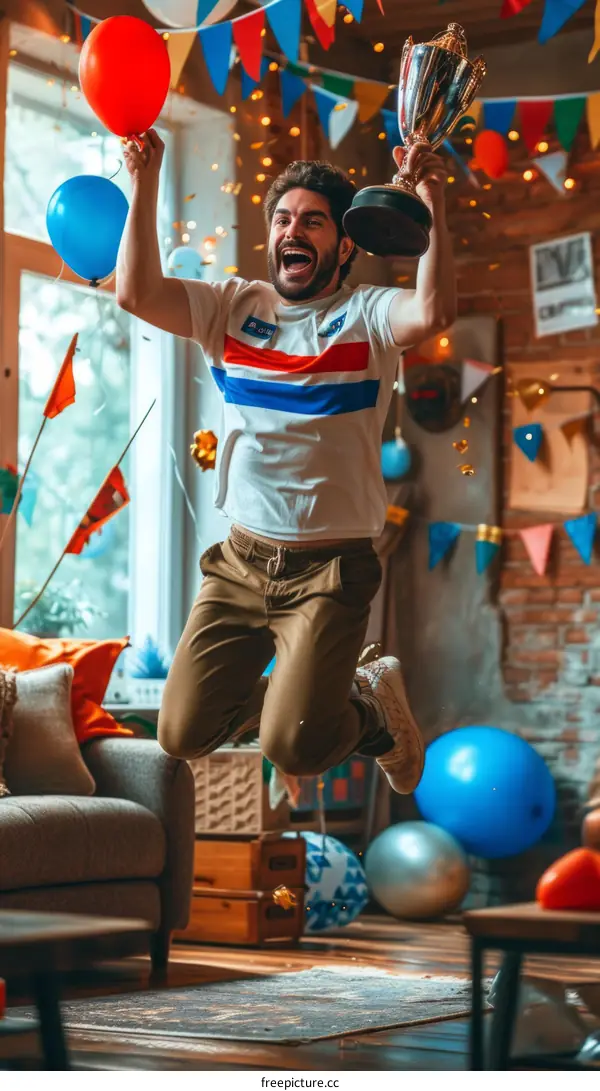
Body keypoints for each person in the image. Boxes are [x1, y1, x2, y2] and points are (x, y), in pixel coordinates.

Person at [117, 129, 456, 794]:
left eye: (312, 221)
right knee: (181, 732)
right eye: (282, 218)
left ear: (344, 244)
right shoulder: (230, 307)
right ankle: (323, 703)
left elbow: (433, 308)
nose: (291, 230)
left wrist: (433, 201)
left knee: (295, 747)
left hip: (330, 571)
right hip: (241, 563)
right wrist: (143, 180)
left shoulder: (367, 315)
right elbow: (135, 292)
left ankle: (366, 709)